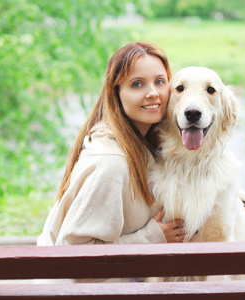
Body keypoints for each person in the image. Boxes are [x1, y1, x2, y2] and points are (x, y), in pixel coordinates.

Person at [37, 42, 187, 248]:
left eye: (160, 81)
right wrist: (152, 237)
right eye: (137, 84)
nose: (153, 92)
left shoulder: (150, 145)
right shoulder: (109, 163)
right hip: (79, 279)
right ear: (115, 93)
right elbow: (75, 253)